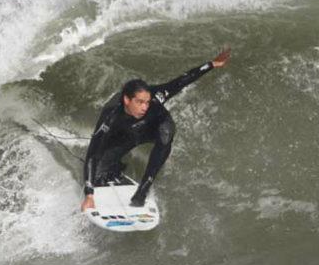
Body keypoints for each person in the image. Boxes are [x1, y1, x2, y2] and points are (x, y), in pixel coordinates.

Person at [80, 48, 232, 211]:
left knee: (166, 133)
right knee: (101, 168)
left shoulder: (156, 97)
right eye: (140, 102)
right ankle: (115, 166)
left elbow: (182, 80)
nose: (145, 107)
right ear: (126, 100)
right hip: (128, 132)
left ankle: (143, 190)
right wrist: (89, 194)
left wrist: (211, 64)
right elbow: (93, 151)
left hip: (154, 128)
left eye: (147, 102)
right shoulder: (111, 114)